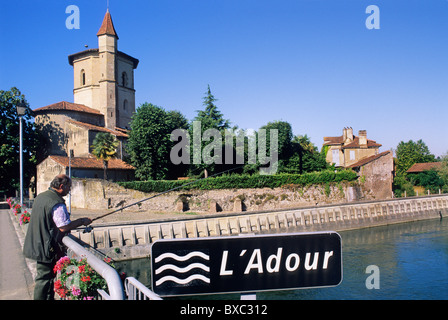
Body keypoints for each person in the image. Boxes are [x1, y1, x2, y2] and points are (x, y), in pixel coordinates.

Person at [23, 174, 92, 300]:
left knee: (46, 278)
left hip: (37, 242)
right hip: (45, 246)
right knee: (44, 279)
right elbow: (63, 226)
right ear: (61, 186)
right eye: (68, 187)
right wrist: (82, 221)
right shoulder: (56, 202)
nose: (69, 190)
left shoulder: (41, 196)